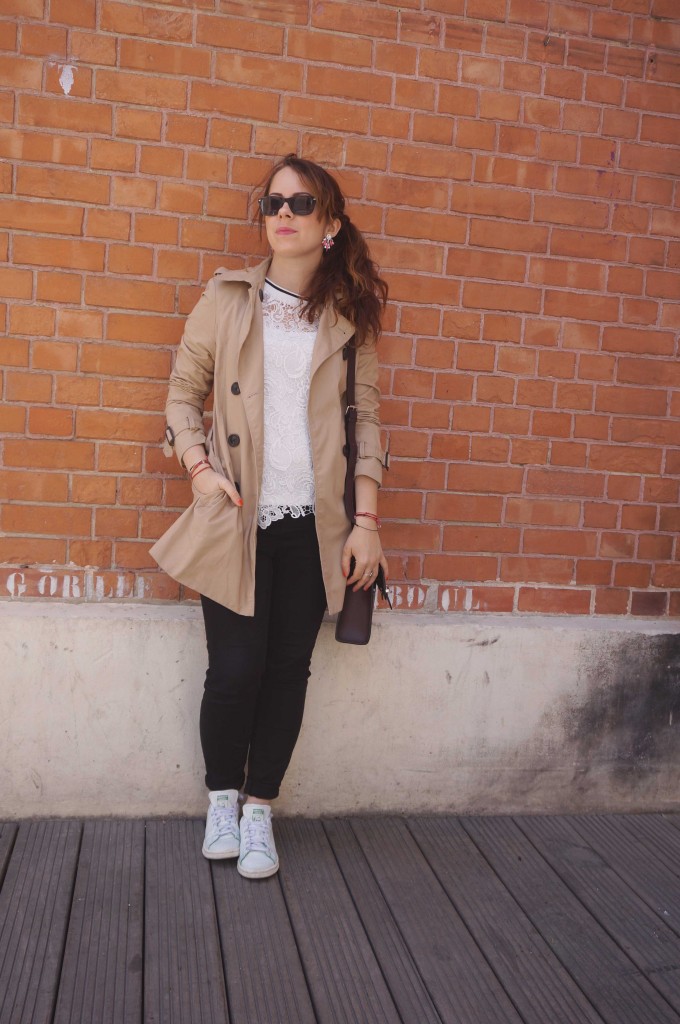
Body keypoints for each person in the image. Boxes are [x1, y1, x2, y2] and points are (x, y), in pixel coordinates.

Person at [149, 154, 389, 879]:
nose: (283, 213)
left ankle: (260, 810)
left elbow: (367, 421)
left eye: (301, 202)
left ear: (329, 223)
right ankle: (222, 799)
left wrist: (367, 521)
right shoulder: (226, 299)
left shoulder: (348, 317)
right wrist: (200, 471)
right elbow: (181, 394)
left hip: (315, 526)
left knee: (287, 671)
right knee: (234, 670)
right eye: (273, 202)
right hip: (237, 516)